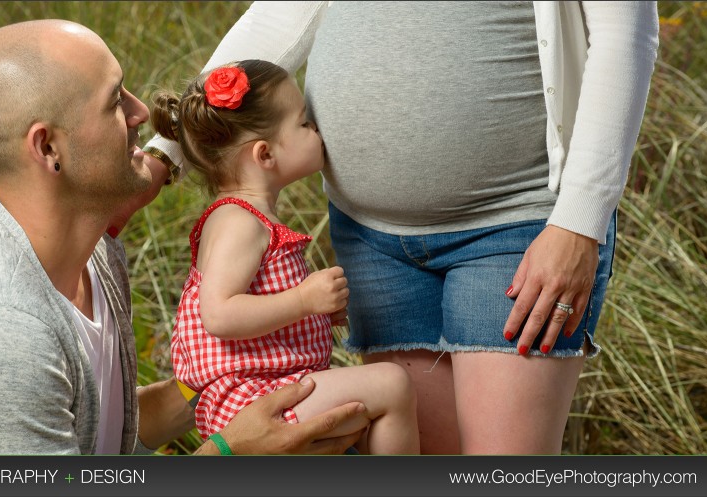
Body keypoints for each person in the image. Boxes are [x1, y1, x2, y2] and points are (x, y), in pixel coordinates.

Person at [141, 2, 659, 454]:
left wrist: (579, 223)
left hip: (516, 223)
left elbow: (623, 31)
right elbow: (284, 12)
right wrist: (166, 155)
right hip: (372, 240)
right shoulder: (240, 223)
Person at [0, 19, 366, 455]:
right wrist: (228, 456)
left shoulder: (90, 248)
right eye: (115, 101)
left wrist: (236, 387)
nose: (140, 112)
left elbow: (100, 434)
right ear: (48, 148)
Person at [151, 60, 419, 454]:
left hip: (267, 386)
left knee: (364, 416)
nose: (316, 130)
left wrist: (312, 313)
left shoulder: (247, 218)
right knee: (391, 386)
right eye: (304, 122)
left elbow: (256, 314)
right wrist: (302, 300)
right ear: (265, 154)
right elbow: (220, 314)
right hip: (248, 401)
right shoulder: (238, 221)